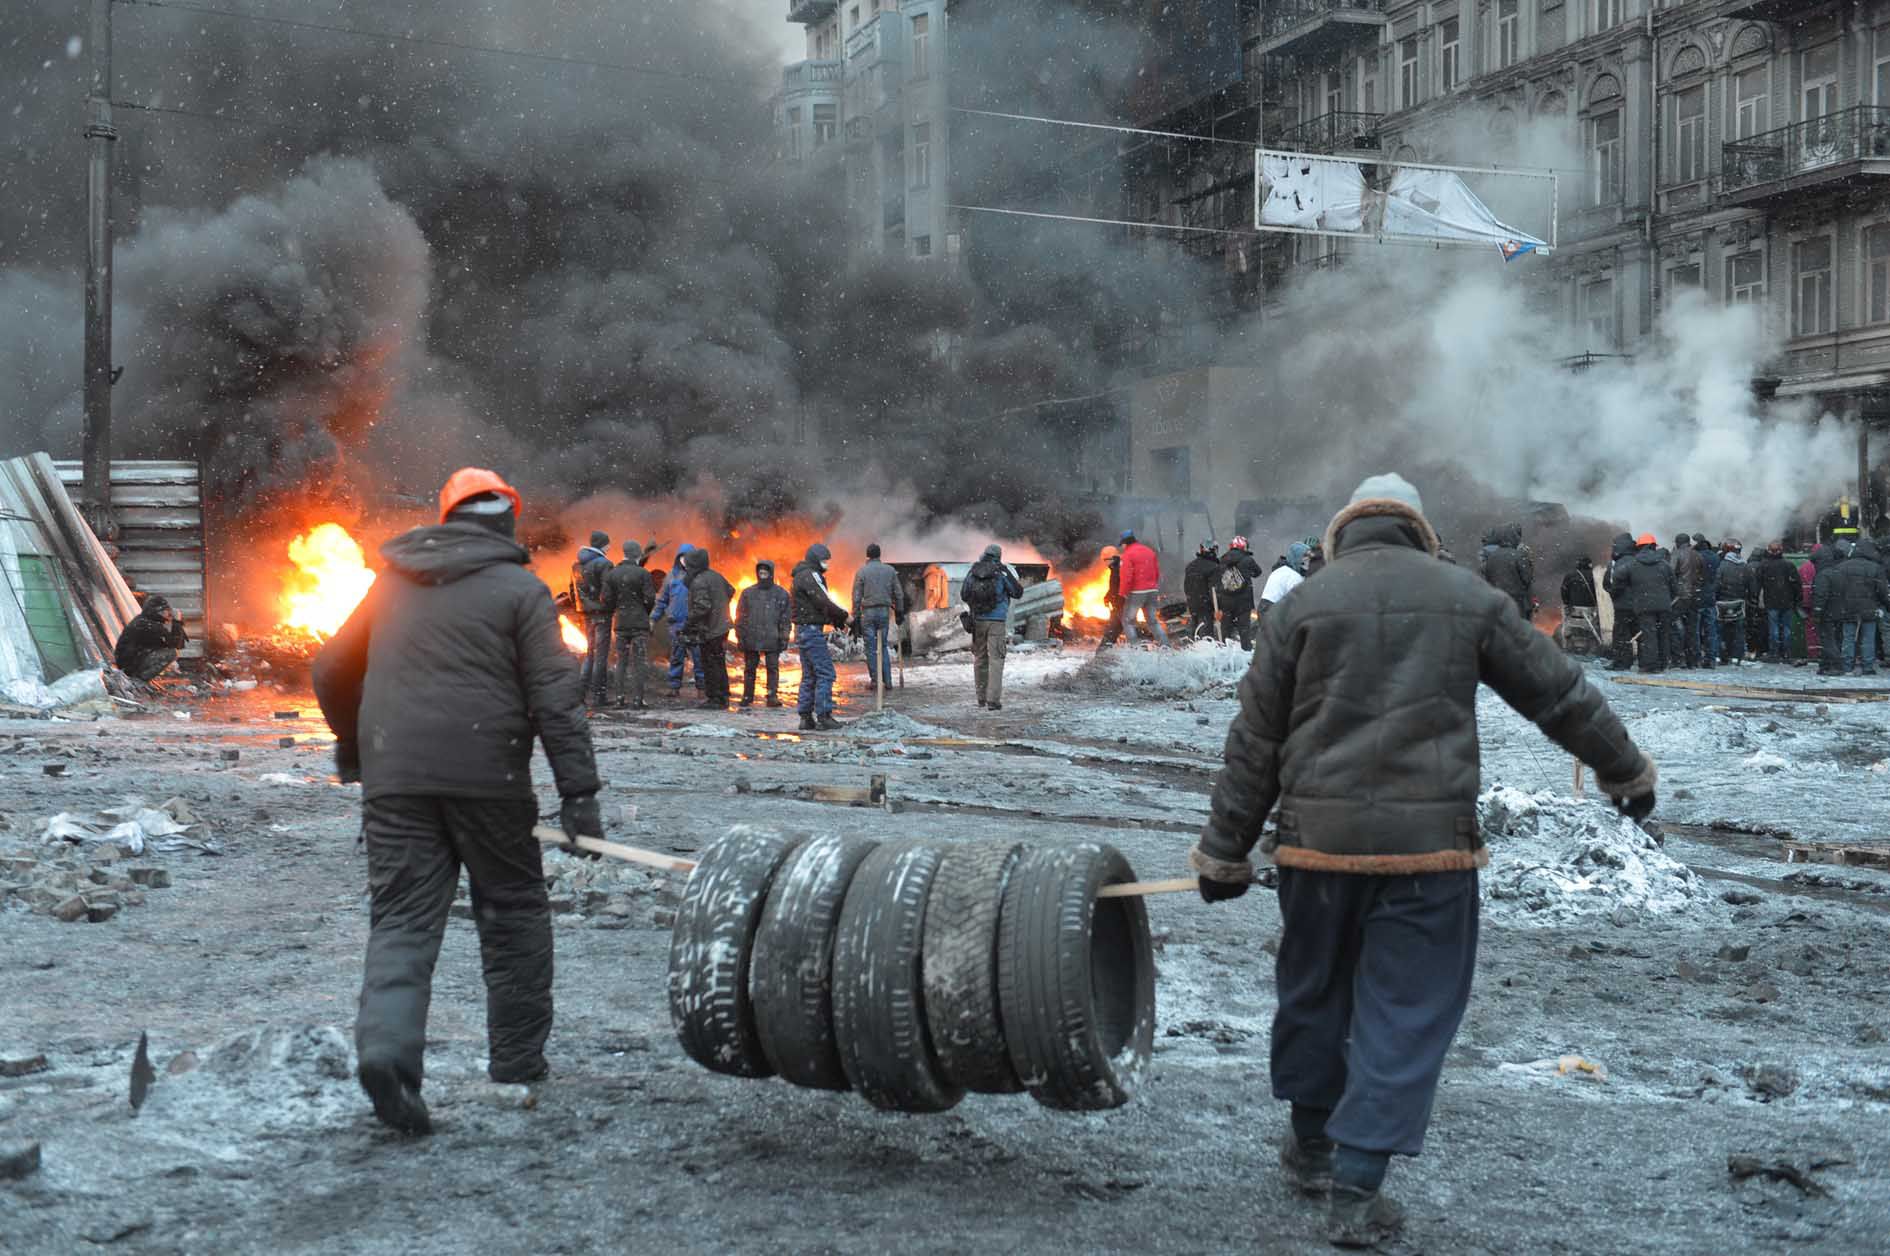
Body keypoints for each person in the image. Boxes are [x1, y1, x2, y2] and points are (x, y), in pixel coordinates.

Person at [1189, 473, 1654, 1250]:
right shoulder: (1463, 598)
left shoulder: (1302, 604)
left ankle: (1312, 1144)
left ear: (1346, 529)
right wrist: (1624, 769)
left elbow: (1255, 742)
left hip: (1314, 848)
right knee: (1403, 1010)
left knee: (1315, 993)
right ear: (1419, 528)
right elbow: (1558, 694)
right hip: (1428, 853)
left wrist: (1224, 850)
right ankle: (1356, 1185)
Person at [311, 467, 601, 1135]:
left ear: (446, 520)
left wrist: (355, 745)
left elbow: (329, 668)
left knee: (403, 921)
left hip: (396, 783)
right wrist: (579, 793)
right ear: (508, 523)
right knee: (514, 915)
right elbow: (556, 698)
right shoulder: (521, 591)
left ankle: (387, 1055)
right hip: (489, 781)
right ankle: (518, 1062)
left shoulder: (390, 584)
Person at [792, 542, 850, 730]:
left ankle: (805, 717)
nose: (827, 564)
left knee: (809, 675)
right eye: (824, 560)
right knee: (826, 672)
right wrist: (844, 617)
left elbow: (815, 605)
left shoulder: (800, 575)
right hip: (811, 631)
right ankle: (824, 716)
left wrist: (833, 620)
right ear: (816, 560)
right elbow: (823, 600)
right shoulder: (811, 575)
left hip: (802, 629)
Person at [963, 543, 1024, 710]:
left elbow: (964, 594)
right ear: (999, 556)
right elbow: (1017, 592)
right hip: (996, 622)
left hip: (978, 621)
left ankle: (981, 698)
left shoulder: (973, 571)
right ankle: (993, 700)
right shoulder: (1001, 571)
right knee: (996, 659)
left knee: (980, 658)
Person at [601, 541, 656, 709]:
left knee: (621, 661)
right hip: (639, 623)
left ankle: (619, 698)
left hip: (621, 622)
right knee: (639, 662)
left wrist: (617, 609)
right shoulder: (643, 573)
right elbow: (650, 598)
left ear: (624, 553)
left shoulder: (612, 574)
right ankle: (638, 699)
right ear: (637, 554)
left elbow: (606, 599)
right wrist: (644, 611)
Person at [680, 547, 735, 710]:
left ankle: (715, 698)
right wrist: (720, 605)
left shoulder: (699, 581)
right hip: (722, 625)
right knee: (719, 661)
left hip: (711, 628)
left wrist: (688, 624)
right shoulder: (716, 576)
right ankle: (723, 695)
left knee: (710, 663)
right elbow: (731, 590)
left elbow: (702, 607)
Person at [1615, 533, 1676, 673]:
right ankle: (1663, 663)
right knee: (1663, 634)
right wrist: (1667, 598)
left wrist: (1624, 589)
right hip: (1664, 605)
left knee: (1649, 635)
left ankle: (1650, 665)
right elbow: (1674, 586)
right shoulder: (1664, 564)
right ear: (1654, 546)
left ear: (1639, 547)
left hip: (1644, 605)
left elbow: (1617, 577)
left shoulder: (1632, 564)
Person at [1827, 538, 1888, 675]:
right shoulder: (1875, 568)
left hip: (1847, 608)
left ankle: (1847, 664)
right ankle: (1868, 666)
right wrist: (1886, 604)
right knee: (1868, 638)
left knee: (1848, 637)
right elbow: (1882, 591)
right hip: (1869, 608)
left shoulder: (1841, 567)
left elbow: (1836, 589)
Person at [735, 559, 791, 707]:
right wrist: (740, 636)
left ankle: (772, 697)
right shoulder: (748, 593)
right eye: (761, 573)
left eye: (765, 573)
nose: (763, 575)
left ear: (771, 574)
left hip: (772, 637)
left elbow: (785, 618)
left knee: (772, 668)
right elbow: (741, 616)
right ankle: (747, 696)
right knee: (750, 669)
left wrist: (784, 637)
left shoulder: (781, 594)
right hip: (752, 637)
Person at [850, 542, 906, 691]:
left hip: (868, 613)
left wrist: (855, 616)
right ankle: (888, 681)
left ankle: (875, 680)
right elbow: (899, 594)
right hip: (884, 612)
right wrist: (899, 612)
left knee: (871, 647)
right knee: (883, 646)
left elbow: (856, 596)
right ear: (880, 555)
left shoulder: (862, 572)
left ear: (867, 556)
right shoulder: (890, 570)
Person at [652, 545, 705, 700]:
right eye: (682, 557)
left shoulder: (700, 576)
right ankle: (674, 687)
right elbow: (662, 600)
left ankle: (702, 688)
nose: (685, 561)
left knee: (699, 658)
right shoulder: (671, 577)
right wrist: (653, 618)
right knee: (676, 657)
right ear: (678, 559)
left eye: (688, 557)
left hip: (695, 624)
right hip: (676, 624)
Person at [570, 531, 614, 705]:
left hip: (585, 614)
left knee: (589, 655)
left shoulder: (576, 565)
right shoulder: (605, 564)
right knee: (600, 656)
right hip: (601, 614)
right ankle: (599, 696)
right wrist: (609, 606)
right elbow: (608, 591)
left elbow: (572, 591)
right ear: (603, 545)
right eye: (608, 544)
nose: (610, 547)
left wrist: (582, 607)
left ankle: (579, 695)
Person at [113, 594, 189, 682]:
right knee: (171, 653)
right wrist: (177, 622)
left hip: (129, 662)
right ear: (158, 611)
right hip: (130, 665)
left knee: (167, 651)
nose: (169, 613)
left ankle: (139, 676)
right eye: (166, 610)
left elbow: (173, 643)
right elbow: (175, 644)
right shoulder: (149, 625)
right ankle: (140, 679)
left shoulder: (144, 621)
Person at [1117, 529, 1169, 646]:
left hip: (1137, 592)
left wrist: (1122, 593)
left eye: (1122, 545)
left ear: (1125, 543)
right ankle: (1166, 647)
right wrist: (1153, 586)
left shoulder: (1128, 554)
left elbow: (1126, 576)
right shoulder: (1149, 551)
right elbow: (1156, 572)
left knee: (1128, 621)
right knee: (1152, 621)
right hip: (1152, 590)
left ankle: (1136, 648)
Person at [1755, 541, 1802, 663]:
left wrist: (1755, 599)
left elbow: (1757, 585)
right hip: (1787, 601)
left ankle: (1774, 653)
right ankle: (1786, 653)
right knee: (1786, 628)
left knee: (1774, 629)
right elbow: (1797, 584)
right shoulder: (1789, 565)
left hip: (1771, 601)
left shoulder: (1763, 566)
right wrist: (1797, 599)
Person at [1478, 522, 1534, 620]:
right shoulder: (1519, 555)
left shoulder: (1491, 556)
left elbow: (1486, 576)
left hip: (1497, 600)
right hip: (1517, 601)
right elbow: (1527, 578)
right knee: (1518, 626)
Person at [1218, 536, 1264, 650]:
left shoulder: (1222, 559)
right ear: (1244, 546)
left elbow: (1218, 578)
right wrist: (1247, 573)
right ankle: (1245, 652)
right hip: (1243, 602)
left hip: (1226, 601)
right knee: (1244, 631)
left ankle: (1224, 651)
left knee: (1226, 629)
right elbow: (1258, 572)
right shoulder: (1248, 560)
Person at [1601, 531, 1636, 670]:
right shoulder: (1638, 560)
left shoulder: (1615, 563)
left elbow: (1607, 583)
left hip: (1621, 606)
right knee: (1640, 634)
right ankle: (1645, 663)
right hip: (1639, 605)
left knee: (1621, 634)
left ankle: (1621, 662)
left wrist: (1614, 594)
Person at [1715, 540, 1752, 665]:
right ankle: (1737, 656)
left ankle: (1720, 655)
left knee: (1720, 631)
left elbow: (1717, 584)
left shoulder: (1722, 565)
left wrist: (1717, 596)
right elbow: (1751, 585)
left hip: (1722, 602)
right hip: (1739, 602)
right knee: (1739, 631)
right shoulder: (1744, 566)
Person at [1668, 532, 1702, 668]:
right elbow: (1702, 575)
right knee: (1692, 629)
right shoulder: (1698, 555)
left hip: (1680, 597)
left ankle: (1678, 658)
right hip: (1695, 596)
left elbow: (1670, 574)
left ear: (1678, 542)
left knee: (1672, 625)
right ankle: (1692, 660)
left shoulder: (1677, 554)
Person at [1558, 555, 1601, 654]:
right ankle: (1593, 643)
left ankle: (1566, 641)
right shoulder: (1595, 576)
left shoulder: (1570, 575)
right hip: (1590, 612)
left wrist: (1567, 603)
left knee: (1565, 612)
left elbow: (1563, 591)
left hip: (1573, 611)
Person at [1692, 534, 1720, 670]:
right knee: (1711, 630)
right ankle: (1711, 658)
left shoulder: (1695, 557)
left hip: (1697, 598)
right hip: (1710, 597)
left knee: (1696, 630)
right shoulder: (1715, 557)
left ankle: (1697, 658)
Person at [1183, 540, 1222, 638]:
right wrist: (1219, 607)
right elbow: (1214, 589)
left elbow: (1186, 586)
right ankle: (1205, 644)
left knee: (1196, 626)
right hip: (1206, 604)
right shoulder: (1214, 567)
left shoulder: (1190, 566)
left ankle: (1193, 642)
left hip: (1192, 602)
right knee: (1206, 631)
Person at [1260, 542, 1308, 614]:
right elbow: (1298, 599)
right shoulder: (1294, 576)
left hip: (1264, 607)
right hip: (1275, 610)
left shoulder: (1281, 570)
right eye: (1304, 561)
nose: (1306, 564)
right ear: (1297, 559)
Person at [1799, 545, 1824, 669]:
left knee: (1809, 628)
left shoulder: (1804, 566)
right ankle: (1821, 652)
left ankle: (1812, 653)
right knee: (1822, 628)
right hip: (1819, 601)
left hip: (1805, 601)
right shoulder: (1822, 566)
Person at [1097, 545, 1125, 648]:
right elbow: (1114, 586)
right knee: (1116, 627)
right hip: (1119, 603)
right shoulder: (1115, 569)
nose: (1104, 563)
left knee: (1114, 627)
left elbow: (1118, 587)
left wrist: (1114, 599)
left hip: (1120, 604)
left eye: (1105, 559)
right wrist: (1107, 597)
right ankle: (1106, 647)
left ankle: (1104, 649)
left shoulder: (1118, 569)